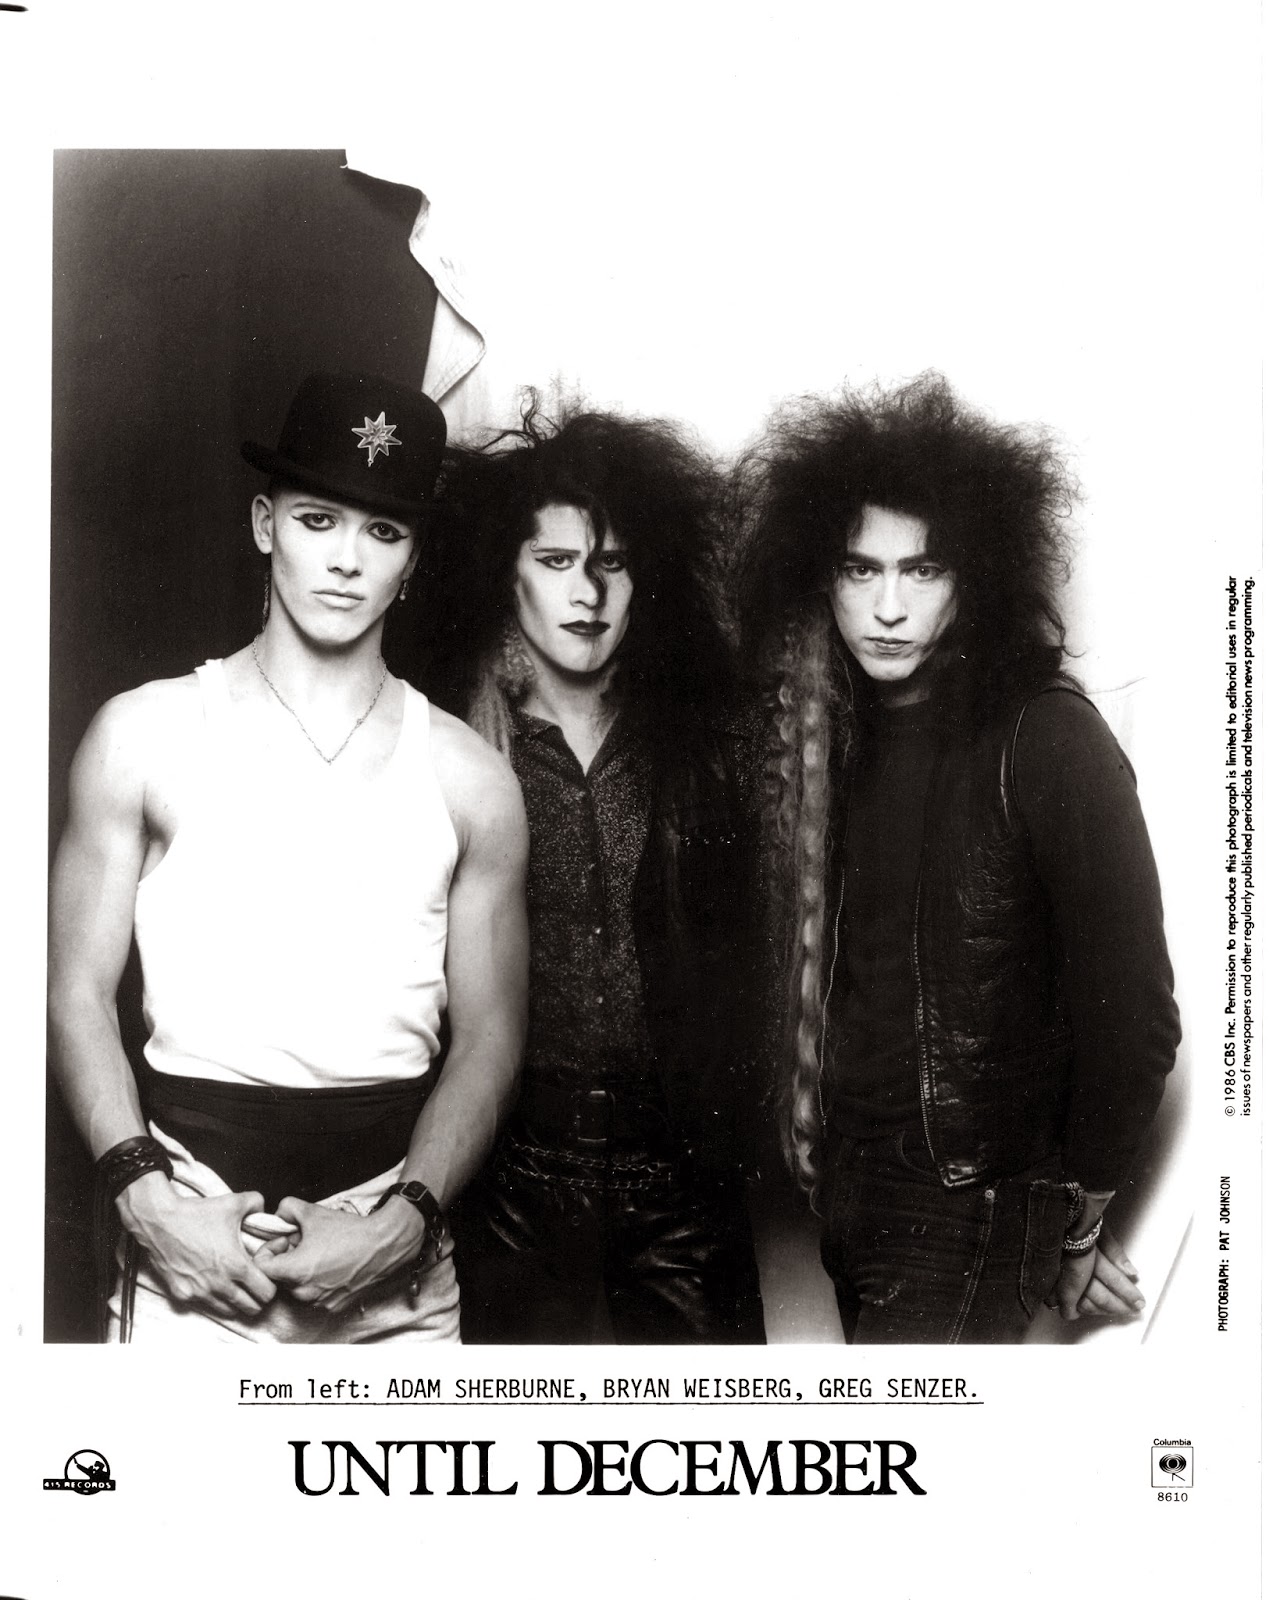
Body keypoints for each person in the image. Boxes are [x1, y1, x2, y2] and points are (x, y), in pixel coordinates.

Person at [48, 371, 528, 1344]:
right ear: (265, 525)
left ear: (413, 560)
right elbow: (75, 990)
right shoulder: (143, 735)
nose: (347, 560)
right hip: (189, 1243)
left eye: (382, 532)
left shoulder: (471, 777)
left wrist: (405, 1223)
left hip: (391, 1264)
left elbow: (491, 1035)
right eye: (318, 521)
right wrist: (147, 1201)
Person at [736, 373, 1180, 1344]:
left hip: (968, 1203)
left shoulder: (1045, 737)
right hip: (853, 1198)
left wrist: (1075, 1218)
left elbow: (1137, 1016)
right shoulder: (828, 743)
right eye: (859, 571)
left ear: (973, 578)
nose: (888, 607)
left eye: (923, 571)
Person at [426, 403, 766, 1343]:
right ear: (507, 573)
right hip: (507, 1170)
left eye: (612, 563)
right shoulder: (452, 741)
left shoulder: (707, 739)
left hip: (680, 1172)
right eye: (556, 561)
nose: (589, 593)